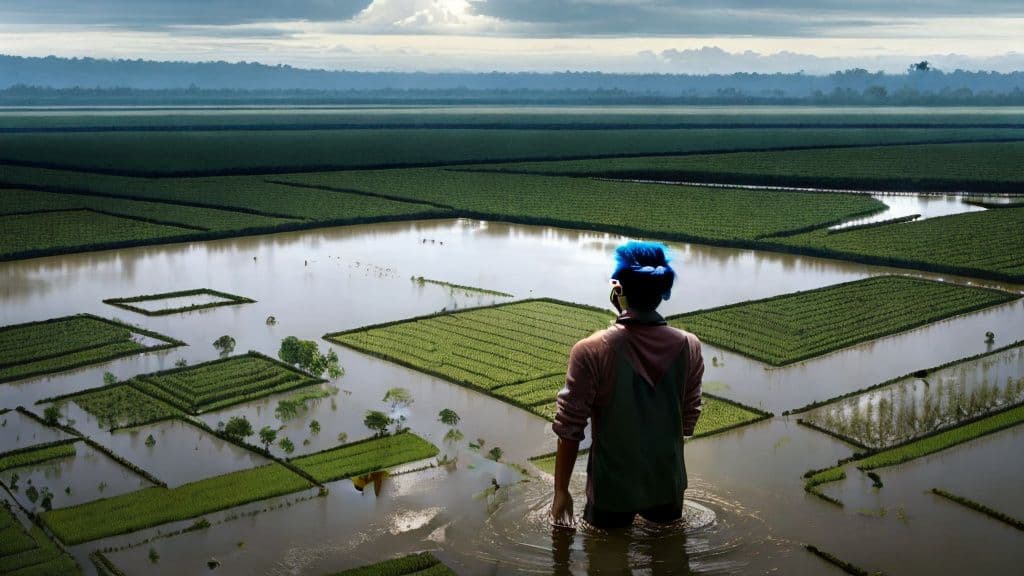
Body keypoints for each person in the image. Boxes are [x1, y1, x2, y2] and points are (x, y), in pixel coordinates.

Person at [549, 241, 703, 529]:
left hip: (612, 488)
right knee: (667, 558)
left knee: (607, 559)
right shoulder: (688, 346)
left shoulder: (591, 350)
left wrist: (561, 491)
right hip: (667, 481)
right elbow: (688, 419)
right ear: (663, 292)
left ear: (618, 291)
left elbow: (570, 429)